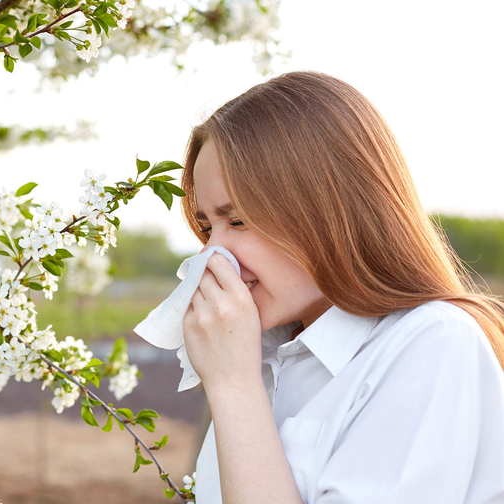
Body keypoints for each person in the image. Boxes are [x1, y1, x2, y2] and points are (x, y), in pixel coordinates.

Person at [180, 71, 504, 504]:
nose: (214, 255)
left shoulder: (432, 344)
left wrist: (233, 387)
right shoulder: (263, 355)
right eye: (206, 227)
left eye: (237, 220)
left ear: (328, 207)